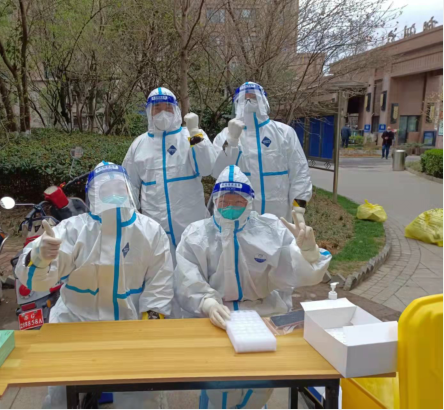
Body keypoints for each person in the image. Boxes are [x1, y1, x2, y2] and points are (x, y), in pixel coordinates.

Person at [16, 161, 174, 409]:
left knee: (142, 397)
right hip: (75, 324)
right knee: (62, 396)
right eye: (105, 190)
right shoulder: (72, 229)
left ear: (128, 190)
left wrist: (151, 321)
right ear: (93, 195)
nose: (113, 195)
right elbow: (38, 279)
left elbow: (160, 283)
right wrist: (39, 257)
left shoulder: (150, 231)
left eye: (119, 188)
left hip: (130, 325)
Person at [175, 165, 332, 409]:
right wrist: (207, 302)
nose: (230, 206)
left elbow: (298, 272)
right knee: (219, 386)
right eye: (224, 200)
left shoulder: (270, 230)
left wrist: (309, 253)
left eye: (237, 201)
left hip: (263, 316)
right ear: (214, 201)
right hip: (215, 318)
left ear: (249, 202)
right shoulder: (197, 234)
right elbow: (187, 275)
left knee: (261, 384)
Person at [123, 87, 216, 257]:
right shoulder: (139, 145)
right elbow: (129, 186)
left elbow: (207, 167)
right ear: (149, 112)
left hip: (192, 225)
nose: (163, 113)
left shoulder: (190, 136)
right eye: (157, 108)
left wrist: (195, 133)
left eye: (167, 107)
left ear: (176, 110)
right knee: (162, 270)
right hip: (156, 228)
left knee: (195, 267)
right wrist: (131, 220)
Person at [211, 82, 312, 224]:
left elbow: (299, 171)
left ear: (263, 101)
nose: (249, 101)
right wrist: (231, 141)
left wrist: (299, 207)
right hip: (240, 215)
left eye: (253, 97)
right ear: (237, 104)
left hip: (278, 214)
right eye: (244, 98)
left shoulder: (284, 133)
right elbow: (217, 172)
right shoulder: (225, 135)